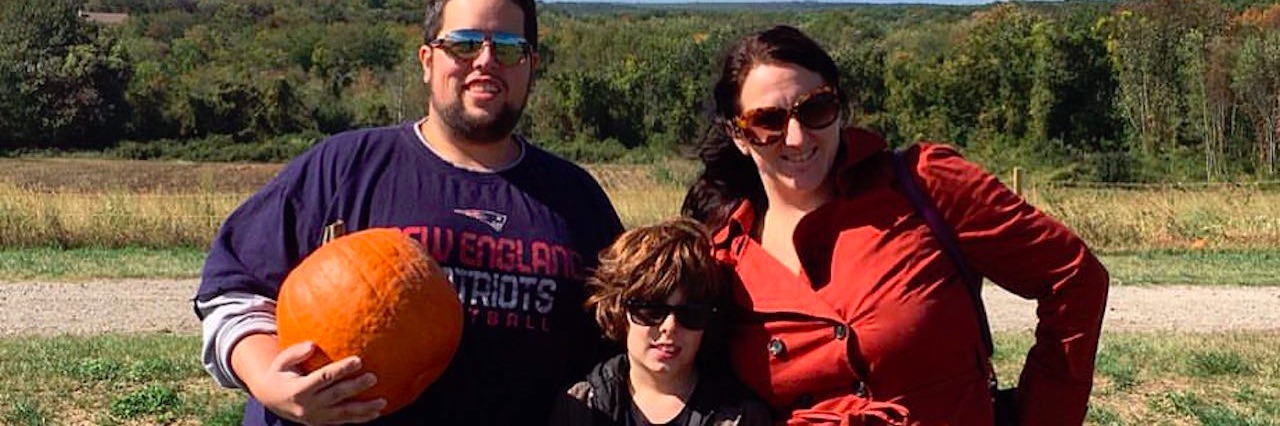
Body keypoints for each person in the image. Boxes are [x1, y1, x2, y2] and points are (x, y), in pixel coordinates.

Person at [192, 0, 624, 423]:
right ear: (427, 60)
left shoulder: (575, 198)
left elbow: (628, 337)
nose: (486, 61)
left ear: (532, 64)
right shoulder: (345, 167)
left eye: (509, 47)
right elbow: (233, 292)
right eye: (465, 43)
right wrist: (270, 381)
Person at [681, 25, 1109, 426]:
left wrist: (1046, 413)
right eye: (767, 121)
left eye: (815, 109)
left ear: (839, 109)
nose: (795, 137)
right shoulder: (723, 257)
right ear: (739, 135)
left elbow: (1073, 277)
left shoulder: (923, 185)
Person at [549, 218, 771, 426]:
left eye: (691, 314)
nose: (669, 327)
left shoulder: (741, 417)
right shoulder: (580, 407)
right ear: (619, 310)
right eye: (651, 310)